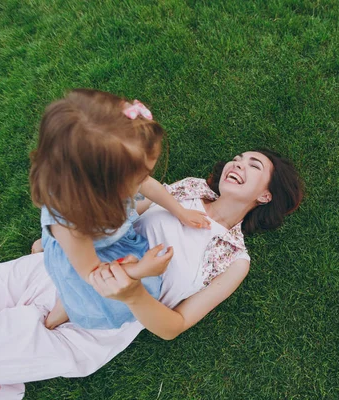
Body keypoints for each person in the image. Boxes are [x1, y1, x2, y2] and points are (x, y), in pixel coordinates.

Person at [0, 149, 303, 399]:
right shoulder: (191, 189)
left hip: (94, 323)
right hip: (52, 272)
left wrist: (132, 296)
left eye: (252, 164)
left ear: (266, 195)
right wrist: (65, 238)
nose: (237, 164)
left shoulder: (234, 259)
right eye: (237, 158)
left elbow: (174, 326)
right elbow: (125, 212)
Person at [29, 89, 210, 329]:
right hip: (90, 263)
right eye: (139, 178)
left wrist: (180, 212)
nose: (145, 180)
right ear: (101, 187)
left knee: (73, 253)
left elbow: (148, 186)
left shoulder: (104, 182)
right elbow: (93, 274)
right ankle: (62, 308)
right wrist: (139, 271)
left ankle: (43, 246)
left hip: (108, 241)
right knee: (76, 291)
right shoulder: (70, 224)